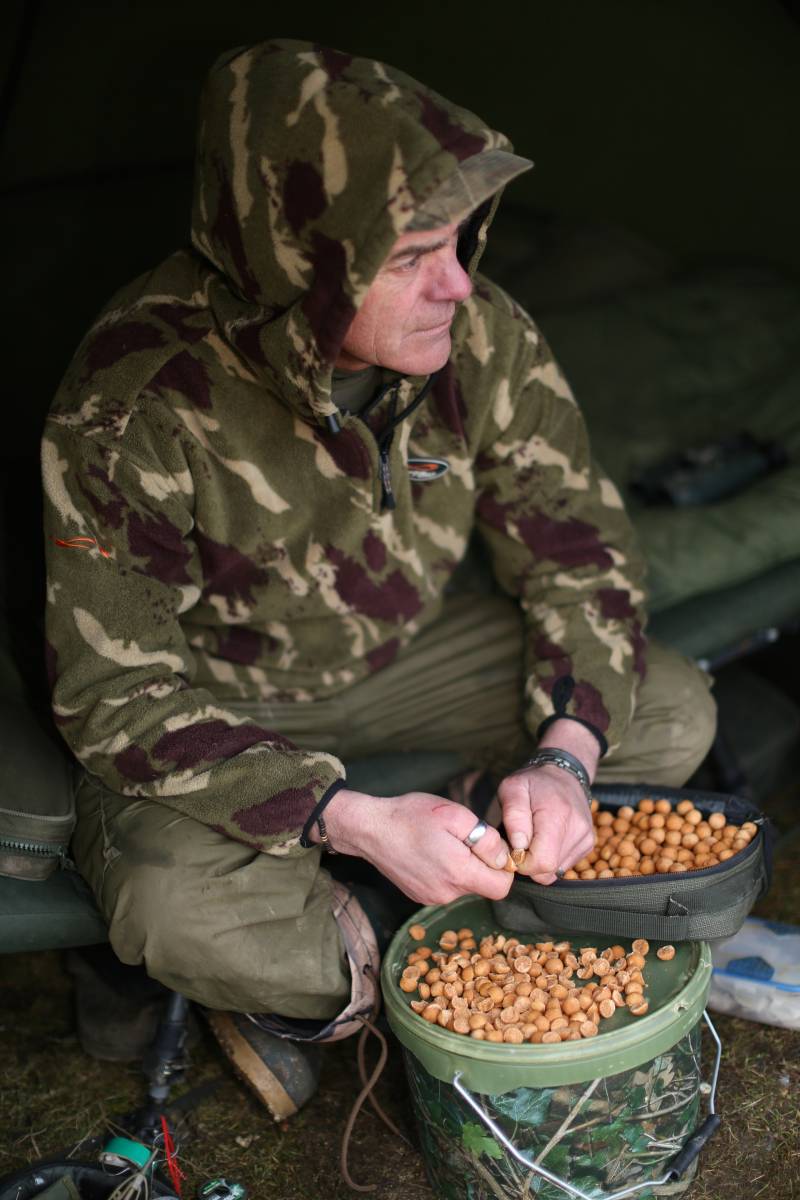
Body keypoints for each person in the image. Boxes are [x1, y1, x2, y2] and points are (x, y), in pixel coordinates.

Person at [41, 39, 716, 1115]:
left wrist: (564, 761)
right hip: (217, 713)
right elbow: (114, 697)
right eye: (408, 257)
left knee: (667, 710)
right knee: (170, 909)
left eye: (456, 243)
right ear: (298, 266)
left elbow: (580, 557)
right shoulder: (135, 400)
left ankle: (446, 861)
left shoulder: (480, 332)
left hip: (393, 660)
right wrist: (345, 817)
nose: (455, 282)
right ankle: (373, 938)